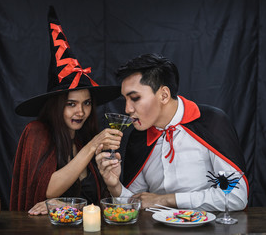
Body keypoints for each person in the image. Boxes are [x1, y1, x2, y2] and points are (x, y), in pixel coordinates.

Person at [96, 53, 249, 211]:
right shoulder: (139, 137)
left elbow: (236, 196)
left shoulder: (211, 123)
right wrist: (115, 186)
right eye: (125, 100)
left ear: (164, 95)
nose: (127, 109)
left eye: (135, 98)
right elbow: (136, 205)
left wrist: (167, 200)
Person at [9, 6, 122, 215]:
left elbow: (95, 203)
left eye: (86, 103)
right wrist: (93, 145)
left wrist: (112, 183)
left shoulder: (81, 139)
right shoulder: (37, 132)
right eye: (71, 104)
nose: (81, 112)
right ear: (56, 106)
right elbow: (47, 190)